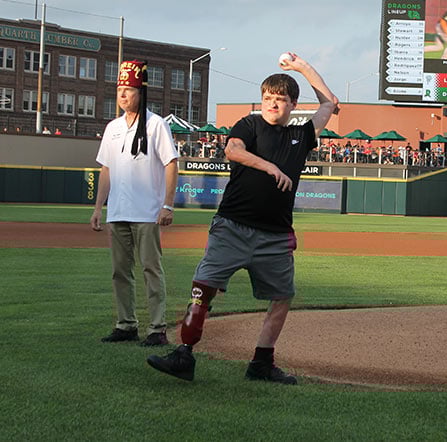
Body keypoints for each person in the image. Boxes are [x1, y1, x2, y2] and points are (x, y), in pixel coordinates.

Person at [147, 53, 339, 384]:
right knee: (201, 289)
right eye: (267, 99)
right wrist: (270, 167)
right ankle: (184, 355)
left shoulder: (300, 136)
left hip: (275, 236)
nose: (273, 105)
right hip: (232, 226)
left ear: (293, 104)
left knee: (282, 297)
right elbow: (233, 151)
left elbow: (330, 102)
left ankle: (261, 363)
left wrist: (301, 67)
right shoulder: (249, 125)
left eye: (280, 100)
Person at [90, 60, 179, 347]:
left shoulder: (156, 125)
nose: (123, 95)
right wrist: (98, 207)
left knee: (151, 270)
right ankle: (125, 324)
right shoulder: (113, 127)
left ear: (141, 92)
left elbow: (171, 163)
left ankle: (157, 329)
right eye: (120, 90)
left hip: (147, 213)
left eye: (128, 90)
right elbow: (106, 169)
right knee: (120, 272)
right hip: (118, 212)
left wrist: (167, 205)